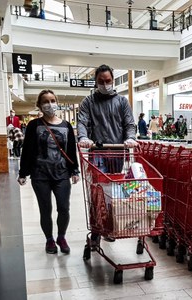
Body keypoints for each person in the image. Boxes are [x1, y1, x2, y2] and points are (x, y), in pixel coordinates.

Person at [76, 64, 137, 243]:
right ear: (95, 82)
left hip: (118, 152)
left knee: (114, 192)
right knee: (98, 191)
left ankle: (110, 225)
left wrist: (130, 138)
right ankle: (97, 230)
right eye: (101, 81)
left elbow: (129, 123)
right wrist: (83, 137)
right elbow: (82, 122)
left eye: (108, 81)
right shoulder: (88, 102)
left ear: (113, 80)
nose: (105, 84)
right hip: (98, 152)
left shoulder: (122, 102)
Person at [18, 89, 80, 255]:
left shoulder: (66, 126)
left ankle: (61, 237)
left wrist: (75, 170)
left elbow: (71, 151)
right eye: (45, 101)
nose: (50, 104)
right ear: (39, 105)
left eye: (52, 100)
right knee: (45, 209)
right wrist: (23, 172)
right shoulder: (34, 125)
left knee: (64, 208)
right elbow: (27, 150)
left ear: (57, 102)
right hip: (40, 175)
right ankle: (49, 240)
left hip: (61, 174)